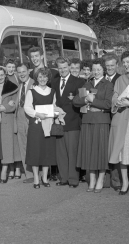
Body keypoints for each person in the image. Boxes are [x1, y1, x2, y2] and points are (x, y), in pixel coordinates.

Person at [73, 59, 113, 192]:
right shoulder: (87, 83)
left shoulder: (107, 84)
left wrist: (93, 100)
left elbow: (108, 104)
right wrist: (85, 99)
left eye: (99, 69)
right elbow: (76, 101)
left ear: (103, 70)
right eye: (94, 69)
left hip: (101, 122)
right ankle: (92, 179)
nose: (96, 72)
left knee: (100, 151)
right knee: (89, 151)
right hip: (87, 121)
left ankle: (101, 179)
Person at [51, 57, 84, 188]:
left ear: (69, 67)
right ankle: (63, 178)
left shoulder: (79, 81)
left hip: (73, 122)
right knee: (61, 153)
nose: (63, 70)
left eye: (65, 67)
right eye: (60, 68)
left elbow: (82, 100)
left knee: (72, 152)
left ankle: (73, 179)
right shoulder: (54, 82)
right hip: (58, 122)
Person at [24, 68, 57, 189]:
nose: (42, 79)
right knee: (35, 151)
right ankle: (36, 179)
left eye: (45, 77)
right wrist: (38, 114)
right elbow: (27, 108)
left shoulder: (52, 91)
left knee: (46, 151)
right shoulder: (31, 92)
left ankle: (44, 177)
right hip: (36, 125)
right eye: (40, 77)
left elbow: (54, 106)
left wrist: (56, 113)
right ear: (36, 78)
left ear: (48, 78)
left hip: (48, 124)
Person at [109, 51, 129, 195]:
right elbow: (114, 98)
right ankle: (125, 182)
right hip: (123, 119)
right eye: (125, 63)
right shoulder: (120, 80)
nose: (126, 65)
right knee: (123, 151)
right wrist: (117, 102)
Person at [102, 53, 121, 190]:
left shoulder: (121, 80)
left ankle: (117, 180)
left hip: (117, 118)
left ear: (117, 66)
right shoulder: (99, 79)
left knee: (116, 149)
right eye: (107, 65)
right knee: (105, 149)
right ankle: (106, 178)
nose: (109, 68)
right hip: (102, 119)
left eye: (112, 65)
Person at [15, 62, 35, 183]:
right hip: (20, 117)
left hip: (31, 117)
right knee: (23, 146)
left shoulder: (35, 83)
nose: (21, 74)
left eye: (23, 71)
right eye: (19, 72)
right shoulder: (19, 86)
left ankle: (39, 173)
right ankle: (29, 174)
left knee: (33, 145)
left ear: (29, 71)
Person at [5, 59, 21, 179]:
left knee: (17, 143)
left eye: (12, 67)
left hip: (17, 112)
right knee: (8, 143)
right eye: (9, 67)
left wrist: (15, 101)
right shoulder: (3, 78)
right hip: (8, 114)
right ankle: (11, 169)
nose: (11, 69)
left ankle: (18, 168)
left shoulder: (18, 78)